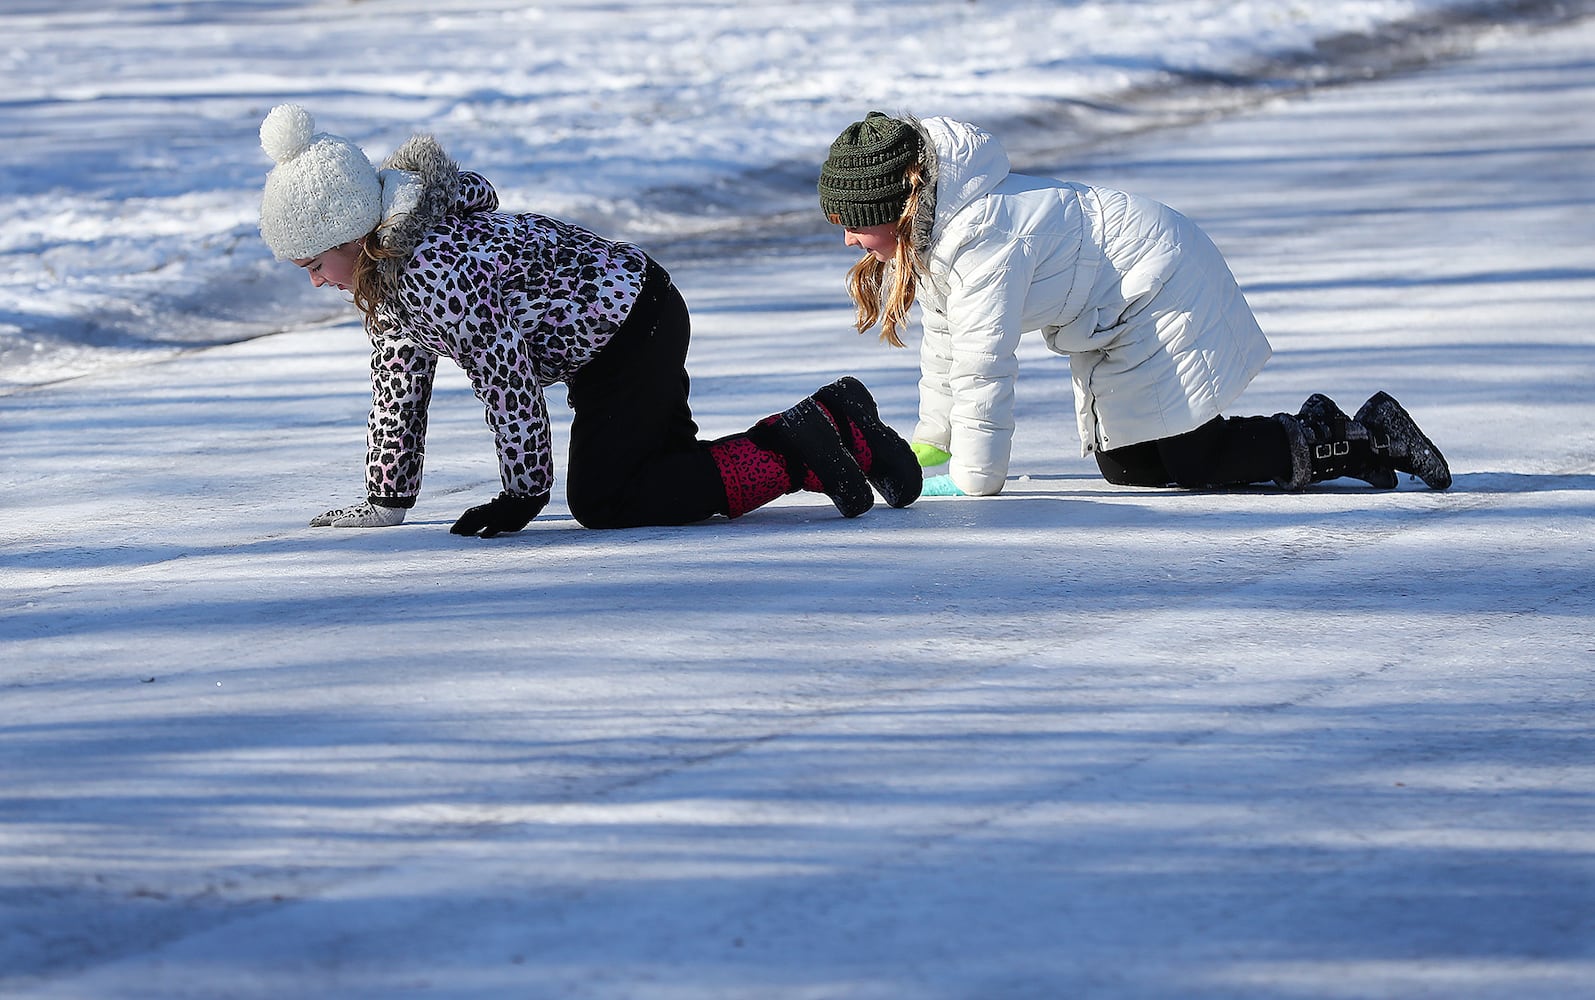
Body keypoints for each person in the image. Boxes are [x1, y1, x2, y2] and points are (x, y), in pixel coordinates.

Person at [256, 104, 920, 536]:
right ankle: (829, 428)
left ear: (352, 237)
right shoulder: (387, 275)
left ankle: (811, 438)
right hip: (622, 322)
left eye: (314, 263)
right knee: (659, 476)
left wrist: (521, 496)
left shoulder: (431, 268)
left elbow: (505, 381)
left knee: (608, 501)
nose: (316, 280)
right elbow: (397, 385)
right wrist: (386, 502)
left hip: (630, 329)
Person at [816, 111, 1452, 497]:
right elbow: (947, 343)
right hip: (1116, 316)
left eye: (853, 222)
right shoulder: (932, 235)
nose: (847, 239)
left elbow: (985, 363)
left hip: (1159, 286)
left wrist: (977, 477)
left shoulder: (981, 239)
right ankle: (1326, 426)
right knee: (1130, 469)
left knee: (1196, 461)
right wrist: (933, 441)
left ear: (894, 207)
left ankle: (1358, 437)